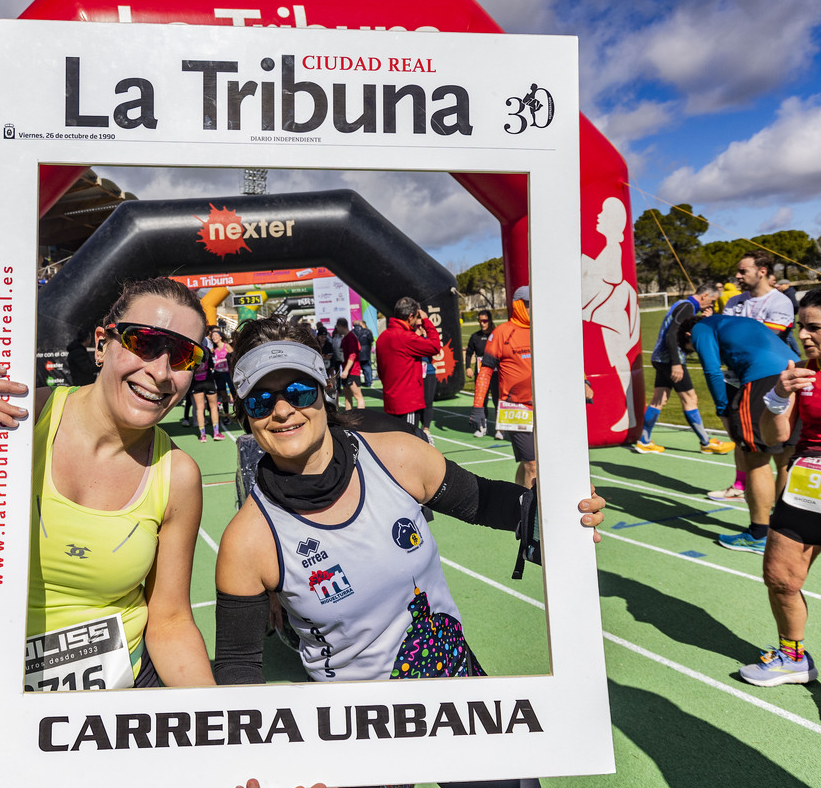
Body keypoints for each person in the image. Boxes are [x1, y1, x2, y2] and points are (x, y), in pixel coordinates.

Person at [212, 317, 606, 788]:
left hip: (454, 695)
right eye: (260, 399)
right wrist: (253, 765)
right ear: (245, 414)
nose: (281, 411)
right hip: (354, 733)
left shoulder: (398, 456)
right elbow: (238, 668)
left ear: (324, 389)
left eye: (297, 390)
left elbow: (488, 502)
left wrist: (562, 515)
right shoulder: (246, 541)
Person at [0, 278, 216, 788]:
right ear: (102, 342)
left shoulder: (177, 475)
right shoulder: (17, 422)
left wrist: (216, 734)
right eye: (144, 343)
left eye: (182, 356)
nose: (159, 371)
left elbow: (170, 620)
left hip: (102, 726)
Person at [735, 283, 821, 728]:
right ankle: (792, 657)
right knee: (780, 578)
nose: (803, 335)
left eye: (814, 327)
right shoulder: (801, 371)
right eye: (801, 326)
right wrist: (779, 396)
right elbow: (773, 438)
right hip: (804, 489)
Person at [678, 314, 798, 554]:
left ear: (689, 336)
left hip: (762, 378)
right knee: (787, 455)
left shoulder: (701, 328)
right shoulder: (737, 321)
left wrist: (722, 409)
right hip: (796, 371)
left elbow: (712, 370)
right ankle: (787, 531)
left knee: (756, 458)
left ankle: (759, 534)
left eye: (691, 349)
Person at [710, 252, 800, 499]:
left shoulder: (779, 301)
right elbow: (723, 339)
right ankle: (740, 486)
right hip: (733, 378)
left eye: (743, 271)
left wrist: (733, 338)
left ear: (762, 271)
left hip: (766, 380)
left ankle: (781, 501)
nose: (737, 276)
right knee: (741, 439)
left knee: (776, 443)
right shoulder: (734, 302)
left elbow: (764, 342)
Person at [634, 284, 735, 455]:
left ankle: (644, 440)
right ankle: (705, 442)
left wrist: (703, 319)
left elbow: (681, 331)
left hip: (660, 358)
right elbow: (672, 334)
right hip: (670, 360)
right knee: (690, 398)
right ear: (704, 295)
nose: (711, 305)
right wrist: (676, 363)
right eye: (711, 301)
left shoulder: (684, 305)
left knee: (659, 399)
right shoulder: (688, 307)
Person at [580, 196, 640, 433]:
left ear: (613, 221)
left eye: (603, 214)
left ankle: (628, 414)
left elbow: (612, 281)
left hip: (613, 319)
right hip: (609, 318)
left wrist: (587, 267)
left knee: (619, 364)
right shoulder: (610, 248)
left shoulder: (613, 249)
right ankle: (629, 415)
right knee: (619, 363)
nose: (598, 216)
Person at [472, 287, 536, 487]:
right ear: (517, 305)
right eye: (527, 303)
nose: (531, 307)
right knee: (532, 463)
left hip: (543, 406)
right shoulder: (501, 333)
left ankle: (517, 495)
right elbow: (485, 371)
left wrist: (584, 381)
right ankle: (526, 511)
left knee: (531, 462)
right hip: (515, 408)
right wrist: (477, 407)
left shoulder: (542, 328)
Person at [376, 297, 440, 428]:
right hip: (408, 402)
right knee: (410, 439)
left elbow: (380, 370)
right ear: (410, 316)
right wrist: (427, 321)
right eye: (416, 317)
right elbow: (435, 346)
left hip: (391, 399)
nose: (417, 321)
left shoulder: (383, 337)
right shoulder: (405, 337)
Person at [465, 311, 501, 438]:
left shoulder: (496, 334)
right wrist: (468, 367)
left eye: (485, 321)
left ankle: (500, 429)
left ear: (490, 320)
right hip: (481, 374)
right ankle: (482, 427)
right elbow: (469, 352)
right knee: (482, 401)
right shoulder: (475, 337)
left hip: (496, 374)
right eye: (480, 321)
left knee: (498, 401)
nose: (482, 323)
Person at [190, 343, 224, 442]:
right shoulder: (206, 350)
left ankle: (202, 435)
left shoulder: (192, 350)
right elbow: (211, 365)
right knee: (213, 406)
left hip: (196, 381)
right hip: (208, 380)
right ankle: (216, 432)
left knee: (200, 408)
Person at [334, 318, 365, 411]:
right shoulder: (345, 338)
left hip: (352, 371)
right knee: (347, 397)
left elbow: (353, 355)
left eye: (337, 327)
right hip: (346, 370)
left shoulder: (351, 337)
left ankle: (362, 417)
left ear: (340, 326)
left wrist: (346, 370)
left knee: (357, 396)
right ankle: (348, 418)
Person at [210, 327, 236, 420]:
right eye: (212, 336)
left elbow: (235, 358)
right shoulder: (213, 350)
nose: (213, 337)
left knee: (234, 393)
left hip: (228, 374)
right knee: (224, 395)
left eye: (215, 335)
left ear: (220, 337)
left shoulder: (227, 346)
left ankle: (238, 412)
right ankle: (226, 415)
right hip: (219, 375)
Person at [352, 318, 375, 386]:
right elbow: (371, 340)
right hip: (366, 351)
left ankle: (357, 382)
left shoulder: (352, 332)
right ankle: (368, 382)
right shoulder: (367, 331)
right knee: (367, 367)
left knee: (357, 368)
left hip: (356, 352)